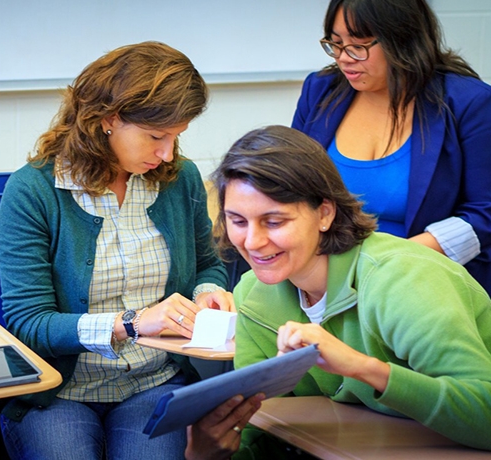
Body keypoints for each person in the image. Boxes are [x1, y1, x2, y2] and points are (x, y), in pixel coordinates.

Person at [185, 125, 491, 459]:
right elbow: (261, 433)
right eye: (238, 221)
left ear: (325, 214)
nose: (253, 242)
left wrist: (362, 367)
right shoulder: (254, 295)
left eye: (274, 222)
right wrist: (207, 455)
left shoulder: (402, 280)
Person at [0, 41, 233, 460]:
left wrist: (206, 293)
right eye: (156, 136)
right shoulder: (32, 190)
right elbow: (28, 324)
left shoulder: (180, 180)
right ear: (107, 119)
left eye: (176, 137)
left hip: (153, 379)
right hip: (57, 389)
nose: (167, 154)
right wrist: (132, 324)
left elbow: (208, 266)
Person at [291, 0, 491, 293]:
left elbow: (485, 214)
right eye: (335, 44)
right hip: (326, 283)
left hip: (425, 283)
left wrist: (389, 263)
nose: (344, 59)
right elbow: (290, 185)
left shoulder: (468, 103)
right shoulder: (321, 91)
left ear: (402, 39)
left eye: (358, 46)